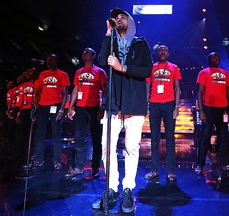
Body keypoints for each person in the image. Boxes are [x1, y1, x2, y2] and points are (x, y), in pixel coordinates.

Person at [91, 8, 152, 214]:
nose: (118, 20)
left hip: (134, 104)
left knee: (131, 147)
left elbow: (147, 70)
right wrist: (108, 34)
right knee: (106, 146)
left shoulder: (141, 43)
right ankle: (111, 188)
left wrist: (122, 67)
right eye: (115, 18)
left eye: (122, 17)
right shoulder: (113, 42)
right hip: (113, 103)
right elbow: (101, 60)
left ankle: (127, 188)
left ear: (131, 21)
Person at [65, 47, 107, 180]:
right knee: (78, 137)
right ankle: (78, 167)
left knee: (96, 139)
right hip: (81, 108)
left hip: (94, 108)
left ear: (93, 56)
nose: (84, 54)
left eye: (87, 52)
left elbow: (105, 91)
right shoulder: (78, 72)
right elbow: (76, 90)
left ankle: (95, 169)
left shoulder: (100, 72)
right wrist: (71, 107)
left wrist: (102, 108)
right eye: (83, 52)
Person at [144, 45, 181, 182]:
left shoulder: (174, 67)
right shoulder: (152, 68)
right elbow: (148, 87)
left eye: (165, 49)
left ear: (168, 53)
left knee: (170, 139)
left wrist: (176, 107)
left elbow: (177, 88)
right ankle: (154, 170)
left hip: (169, 104)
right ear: (157, 53)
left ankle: (171, 171)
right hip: (154, 105)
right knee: (154, 139)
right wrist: (147, 105)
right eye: (160, 50)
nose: (163, 51)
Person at [195, 52, 229, 175]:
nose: (216, 58)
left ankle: (225, 163)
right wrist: (201, 110)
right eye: (213, 57)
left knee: (223, 136)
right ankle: (200, 165)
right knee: (205, 136)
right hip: (208, 108)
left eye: (217, 57)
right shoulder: (204, 72)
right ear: (209, 60)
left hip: (222, 108)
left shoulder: (225, 73)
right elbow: (200, 92)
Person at [32, 54, 70, 170]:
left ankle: (57, 160)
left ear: (56, 61)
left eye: (51, 59)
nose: (49, 61)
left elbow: (65, 93)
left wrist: (62, 109)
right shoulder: (42, 74)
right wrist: (35, 102)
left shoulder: (62, 74)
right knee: (40, 133)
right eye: (48, 59)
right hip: (43, 106)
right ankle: (39, 159)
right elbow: (37, 89)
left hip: (55, 105)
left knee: (56, 134)